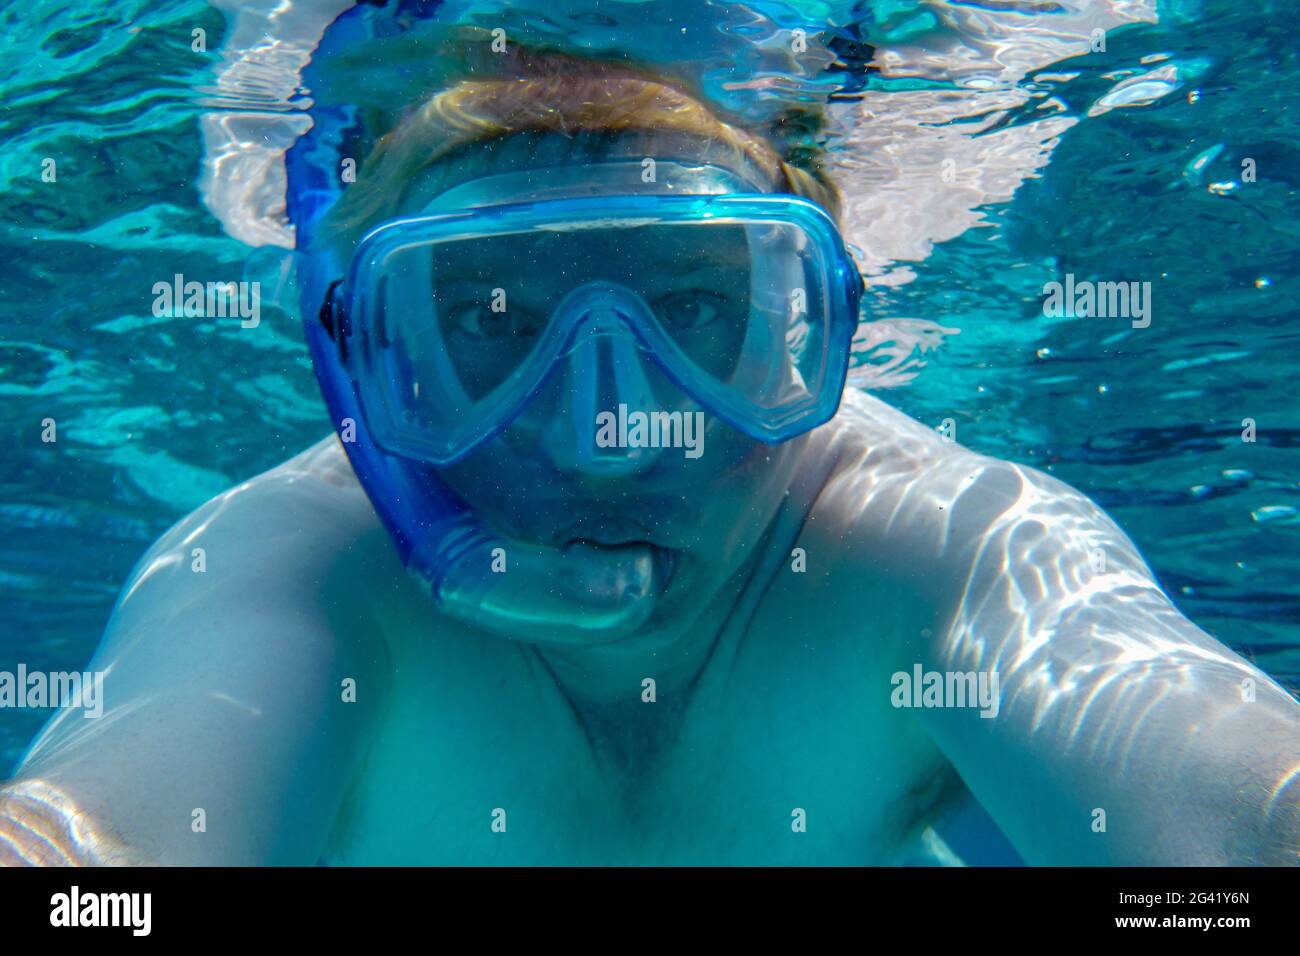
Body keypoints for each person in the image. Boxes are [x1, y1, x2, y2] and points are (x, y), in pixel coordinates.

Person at [2, 45, 1297, 868]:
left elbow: (1230, 806)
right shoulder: (300, 572)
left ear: (815, 324)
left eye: (692, 310)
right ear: (367, 357)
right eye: (492, 320)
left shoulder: (940, 550)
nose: (605, 433)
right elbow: (97, 863)